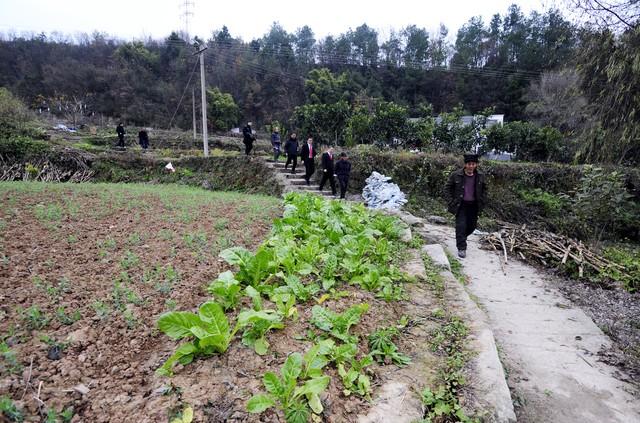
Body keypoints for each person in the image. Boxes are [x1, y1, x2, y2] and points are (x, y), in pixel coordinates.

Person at [445, 153, 487, 259]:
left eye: (473, 164)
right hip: (461, 205)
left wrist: (482, 200)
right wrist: (451, 201)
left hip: (474, 205)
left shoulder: (480, 176)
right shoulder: (456, 175)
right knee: (461, 226)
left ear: (476, 165)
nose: (471, 166)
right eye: (469, 164)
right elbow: (447, 188)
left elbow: (485, 189)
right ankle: (462, 248)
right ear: (465, 165)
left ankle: (461, 237)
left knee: (472, 227)